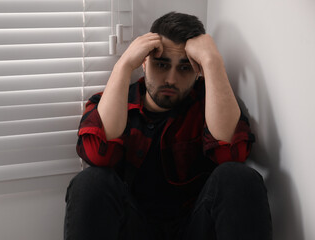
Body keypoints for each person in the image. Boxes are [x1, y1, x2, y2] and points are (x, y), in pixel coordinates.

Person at [64, 12, 272, 240]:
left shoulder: (212, 101)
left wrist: (212, 61)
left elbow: (232, 155)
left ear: (197, 70)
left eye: (184, 68)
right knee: (91, 182)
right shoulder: (113, 102)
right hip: (134, 228)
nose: (171, 79)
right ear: (144, 62)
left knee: (239, 177)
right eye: (161, 64)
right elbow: (98, 154)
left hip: (194, 228)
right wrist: (123, 65)